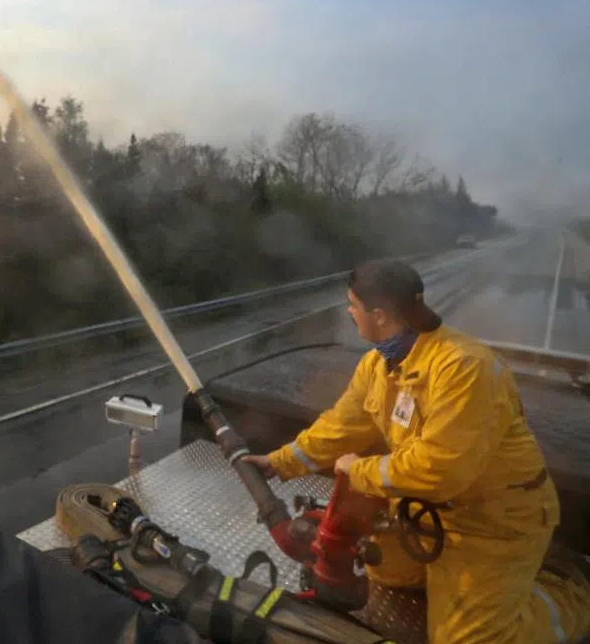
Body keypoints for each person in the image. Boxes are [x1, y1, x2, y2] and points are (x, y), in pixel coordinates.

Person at [241, 258, 590, 644]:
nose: (349, 312)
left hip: (493, 522)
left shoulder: (464, 368)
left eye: (352, 305)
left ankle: (571, 592)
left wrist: (358, 472)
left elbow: (441, 470)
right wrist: (279, 462)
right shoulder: (379, 365)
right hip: (429, 514)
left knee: (469, 639)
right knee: (383, 568)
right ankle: (458, 581)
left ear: (378, 315)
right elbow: (341, 425)